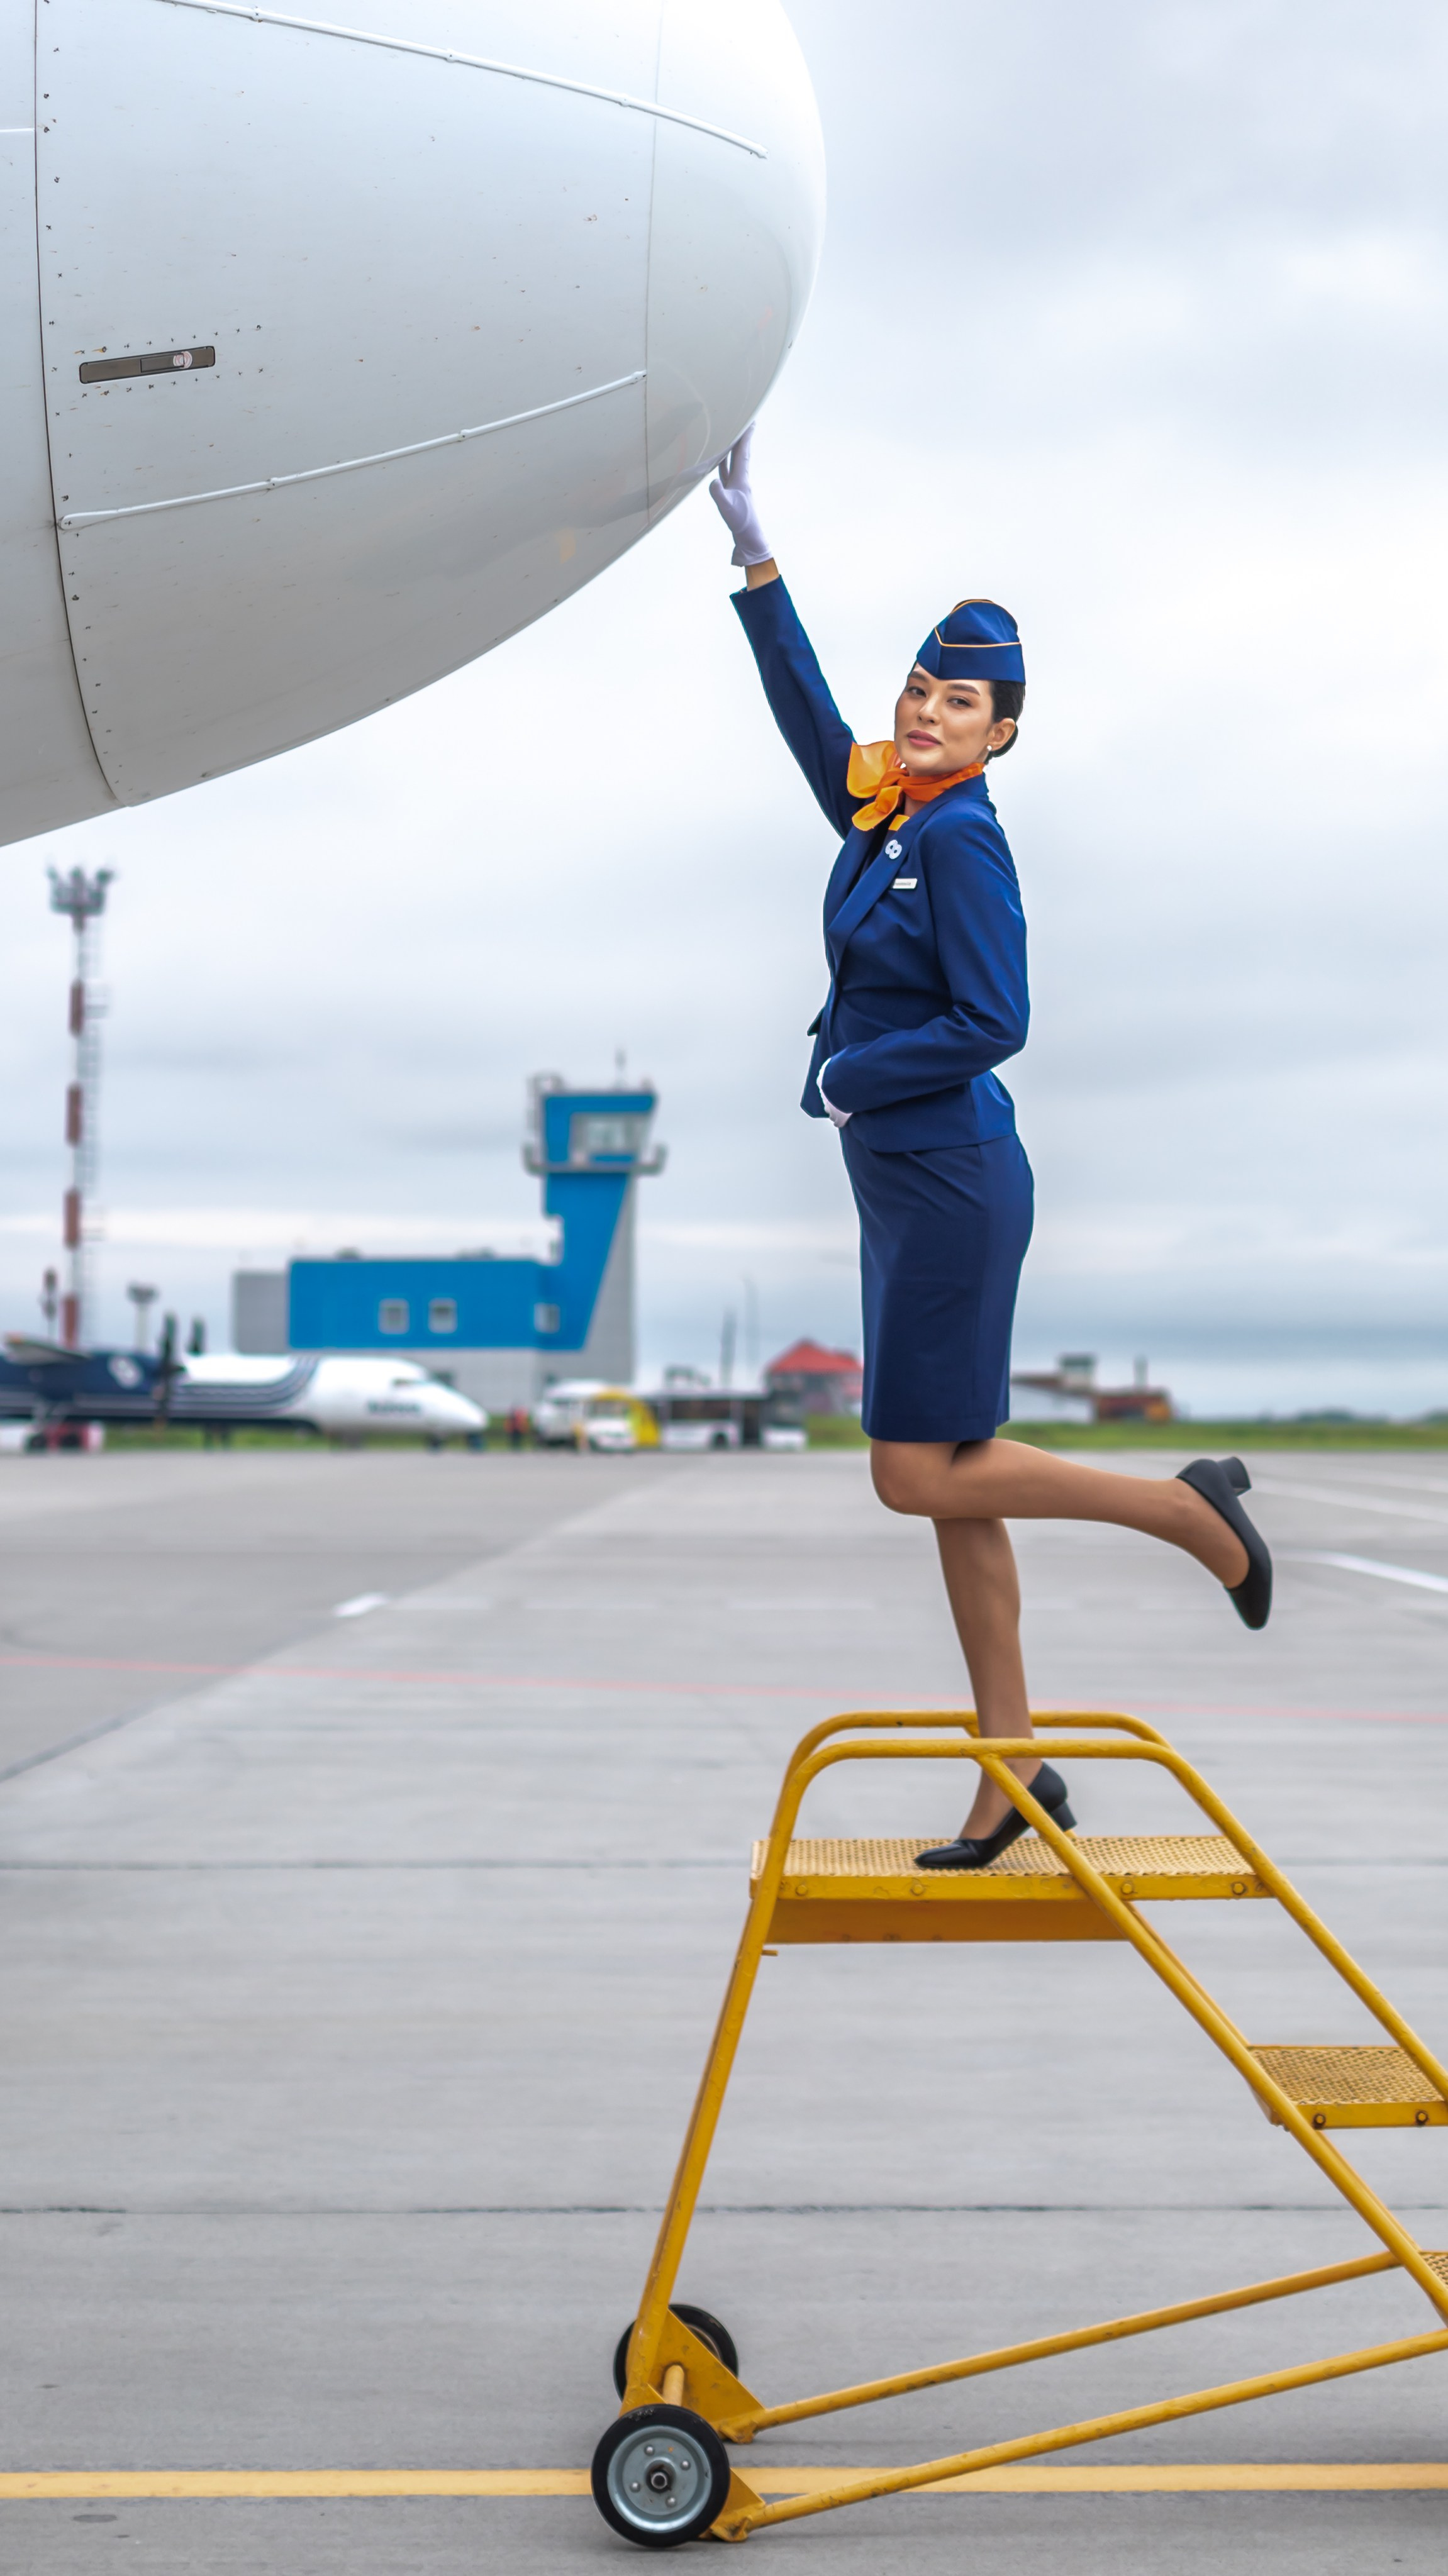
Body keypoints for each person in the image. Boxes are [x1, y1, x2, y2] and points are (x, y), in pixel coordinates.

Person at [710, 430, 1271, 1871]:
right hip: (904, 1186)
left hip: (950, 1176)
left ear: (999, 730)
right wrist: (756, 560)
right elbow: (800, 713)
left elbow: (993, 1017)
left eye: (953, 700)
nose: (921, 710)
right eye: (915, 688)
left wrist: (846, 1078)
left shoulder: (959, 840)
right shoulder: (883, 806)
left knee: (913, 1474)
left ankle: (1181, 1510)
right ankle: (1009, 1769)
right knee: (953, 1480)